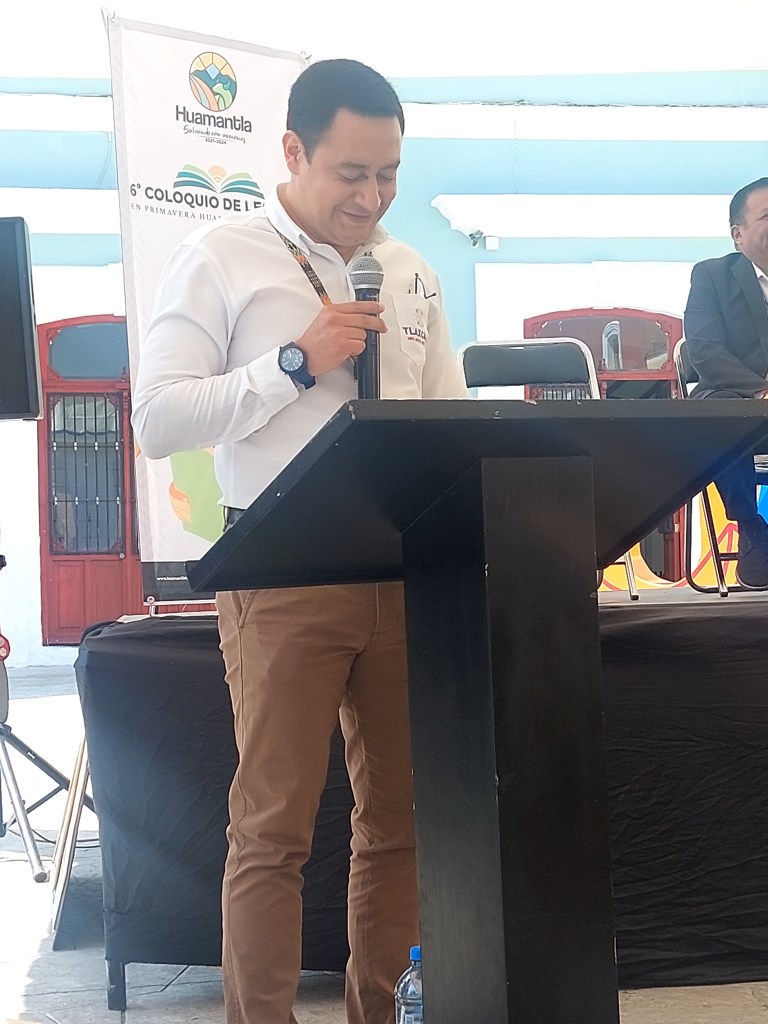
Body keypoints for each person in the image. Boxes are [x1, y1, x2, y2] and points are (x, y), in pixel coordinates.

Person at [131, 58, 468, 1024]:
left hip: (401, 571)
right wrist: (292, 362)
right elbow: (157, 419)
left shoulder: (410, 270)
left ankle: (381, 1014)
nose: (371, 197)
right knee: (272, 830)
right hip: (281, 573)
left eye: (389, 174)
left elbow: (445, 417)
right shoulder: (223, 255)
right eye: (351, 172)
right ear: (292, 150)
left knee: (400, 826)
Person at [683, 176, 768, 590]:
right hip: (738, 397)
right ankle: (751, 527)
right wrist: (761, 390)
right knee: (717, 412)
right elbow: (704, 350)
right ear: (738, 234)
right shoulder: (712, 276)